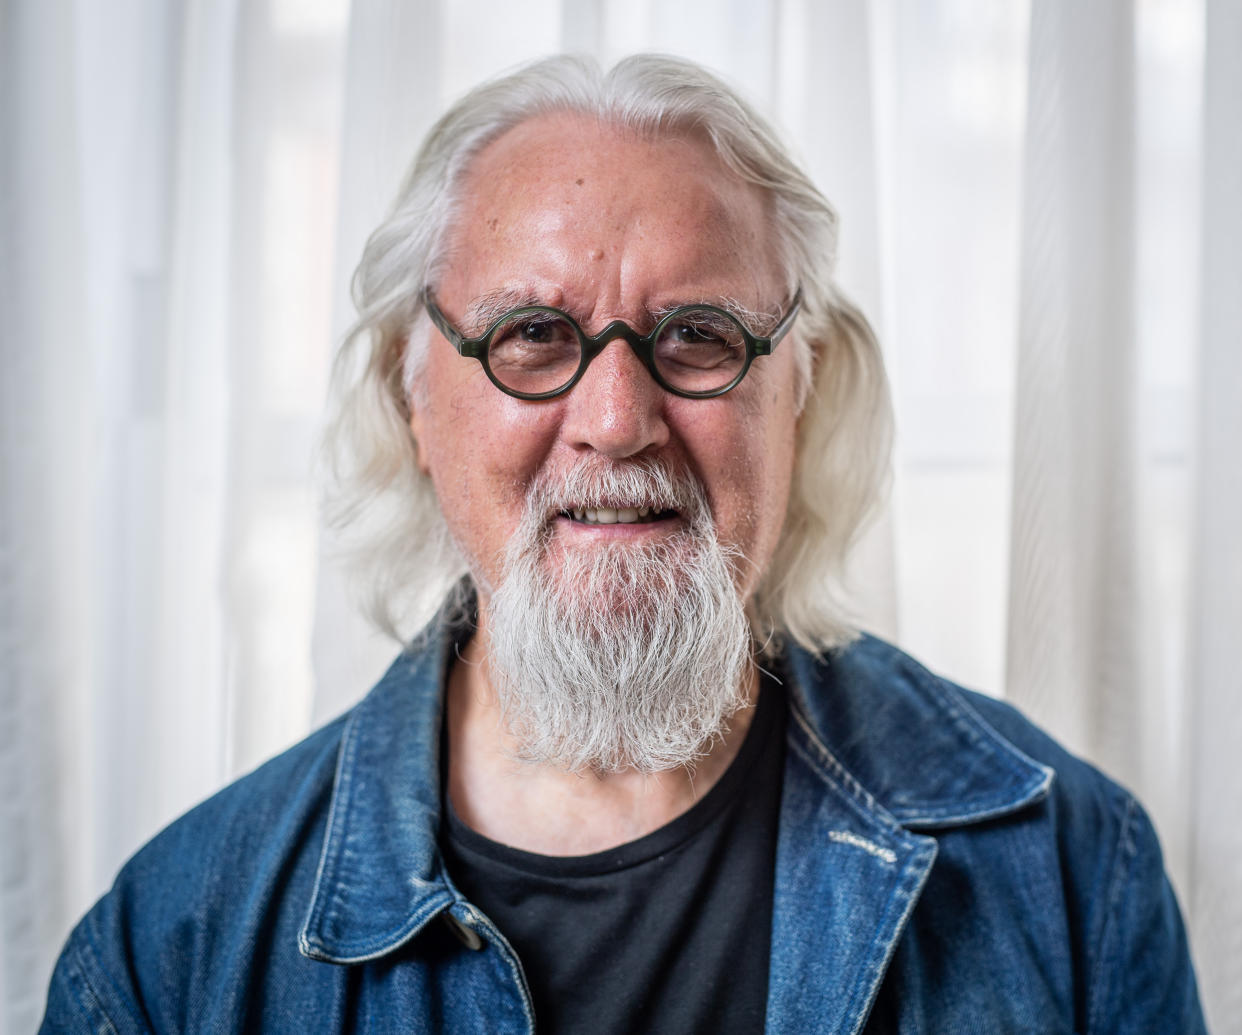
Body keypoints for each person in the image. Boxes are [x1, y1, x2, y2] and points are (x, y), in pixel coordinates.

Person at [42, 54, 1205, 1034]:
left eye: (698, 336)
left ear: (799, 391)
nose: (614, 420)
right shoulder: (172, 955)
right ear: (415, 396)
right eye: (533, 335)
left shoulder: (1068, 874)